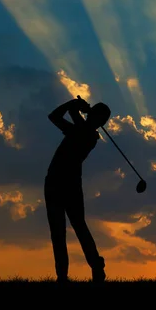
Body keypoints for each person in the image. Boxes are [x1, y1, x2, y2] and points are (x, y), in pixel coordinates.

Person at [44, 96, 111, 283]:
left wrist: (74, 105)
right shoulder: (79, 130)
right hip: (55, 182)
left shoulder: (89, 136)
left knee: (78, 227)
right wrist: (72, 105)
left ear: (100, 121)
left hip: (68, 183)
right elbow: (54, 116)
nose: (92, 118)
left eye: (97, 117)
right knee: (58, 232)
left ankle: (96, 267)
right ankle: (63, 277)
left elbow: (62, 117)